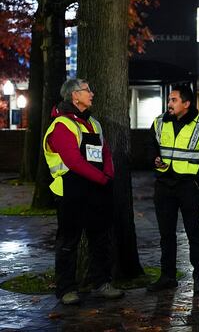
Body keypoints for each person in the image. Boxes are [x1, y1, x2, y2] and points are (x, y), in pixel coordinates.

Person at [43, 79, 124, 305]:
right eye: (87, 90)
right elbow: (73, 161)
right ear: (74, 96)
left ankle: (102, 283)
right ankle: (66, 289)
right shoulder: (61, 125)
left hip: (97, 190)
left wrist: (108, 174)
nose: (92, 93)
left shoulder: (94, 124)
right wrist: (102, 178)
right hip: (71, 192)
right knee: (69, 241)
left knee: (100, 239)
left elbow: (105, 151)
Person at [145, 84, 199, 295]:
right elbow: (151, 145)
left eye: (174, 100)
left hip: (188, 186)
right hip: (164, 185)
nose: (169, 104)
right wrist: (154, 158)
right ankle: (167, 276)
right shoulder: (160, 122)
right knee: (166, 234)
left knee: (193, 232)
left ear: (186, 104)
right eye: (169, 100)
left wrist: (198, 179)